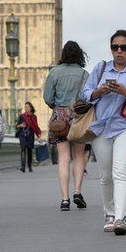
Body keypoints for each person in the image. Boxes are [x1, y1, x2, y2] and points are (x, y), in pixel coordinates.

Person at [81, 30, 126, 236]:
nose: (119, 51)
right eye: (115, 47)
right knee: (105, 175)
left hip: (125, 128)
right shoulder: (101, 69)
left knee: (120, 171)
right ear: (111, 49)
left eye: (123, 47)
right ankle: (109, 213)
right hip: (101, 128)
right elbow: (85, 94)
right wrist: (99, 92)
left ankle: (121, 217)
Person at [43, 41, 90, 211]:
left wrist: (57, 107)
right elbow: (88, 98)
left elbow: (48, 97)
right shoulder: (84, 74)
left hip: (59, 118)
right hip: (79, 117)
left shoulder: (54, 72)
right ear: (80, 55)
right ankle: (77, 191)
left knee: (63, 158)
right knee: (78, 156)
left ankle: (65, 199)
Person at [14, 102, 42, 174]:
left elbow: (36, 127)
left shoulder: (34, 117)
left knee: (29, 151)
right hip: (22, 135)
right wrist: (20, 125)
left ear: (31, 108)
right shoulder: (22, 116)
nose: (27, 108)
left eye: (28, 107)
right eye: (26, 107)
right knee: (23, 149)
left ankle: (29, 166)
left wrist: (38, 136)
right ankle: (23, 167)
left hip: (30, 135)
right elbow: (16, 126)